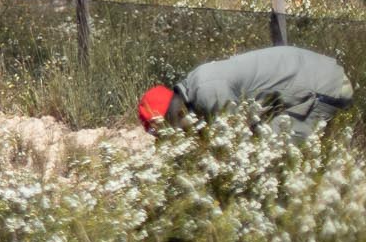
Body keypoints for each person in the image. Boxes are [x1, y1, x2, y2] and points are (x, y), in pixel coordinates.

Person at [138, 45, 354, 142]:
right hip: (313, 82)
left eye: (163, 131)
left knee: (275, 159)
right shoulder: (196, 84)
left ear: (173, 113)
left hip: (322, 88)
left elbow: (234, 142)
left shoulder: (206, 92)